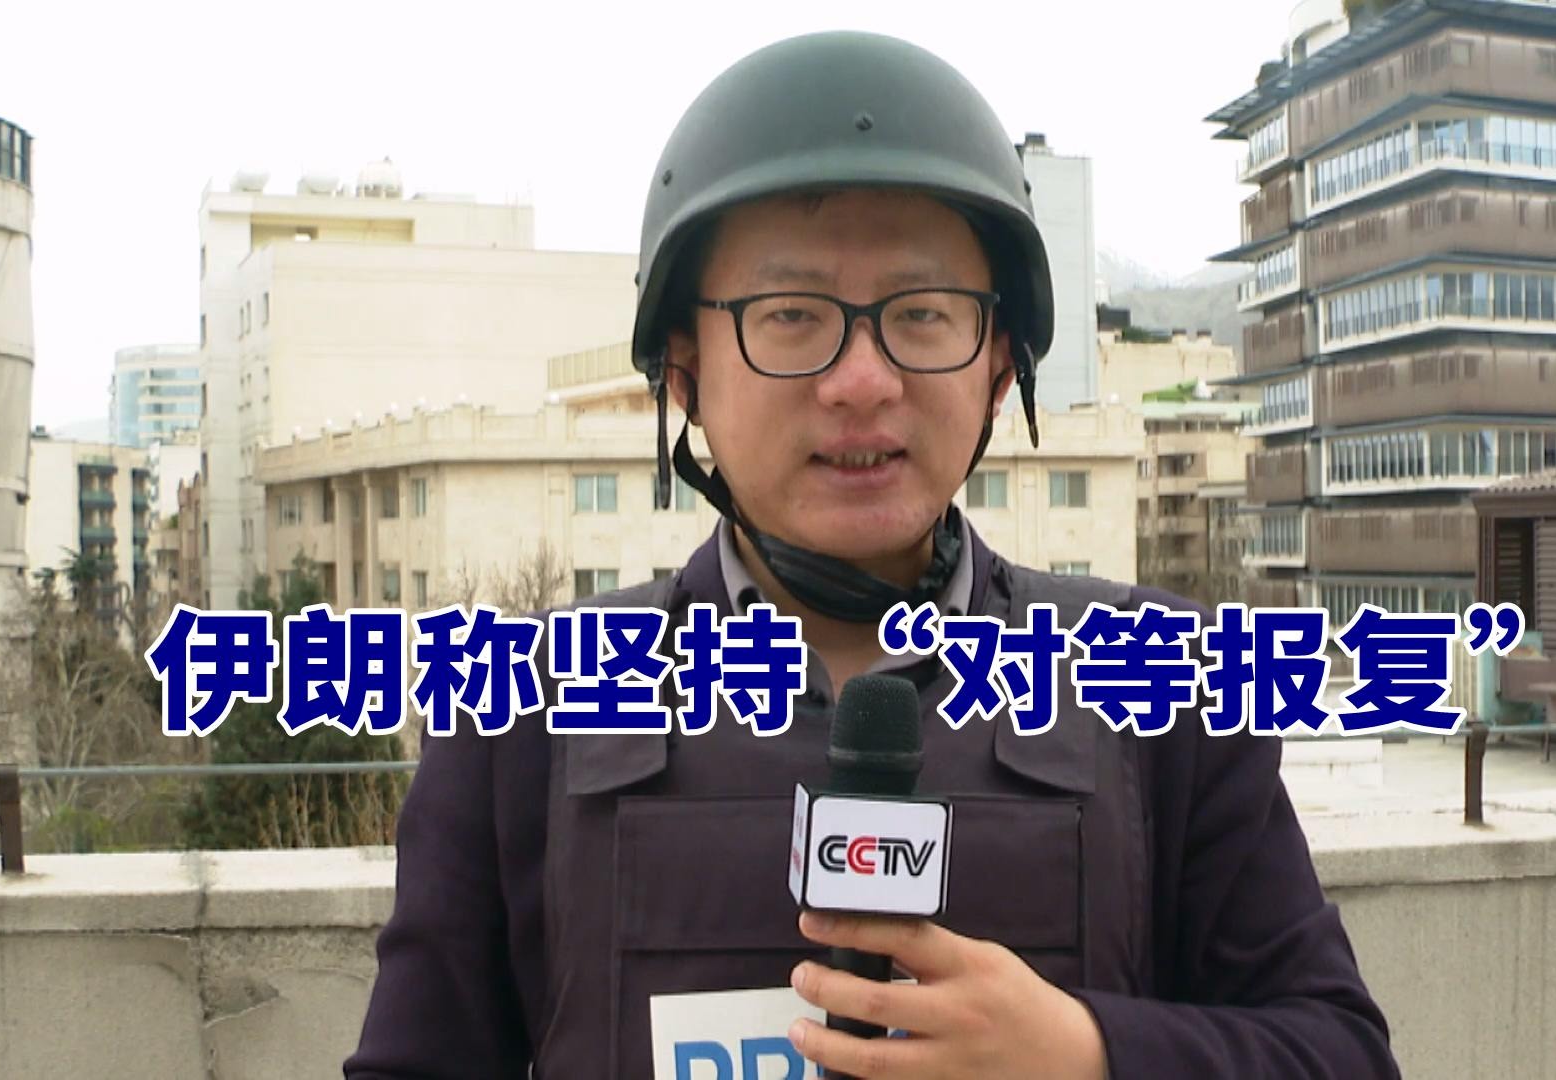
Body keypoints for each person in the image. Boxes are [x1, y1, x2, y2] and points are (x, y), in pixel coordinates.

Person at [345, 30, 1399, 1080]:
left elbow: (1339, 1053)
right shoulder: (522, 712)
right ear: (684, 369)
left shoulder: (1162, 687)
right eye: (791, 316)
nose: (862, 380)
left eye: (922, 314)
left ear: (998, 368)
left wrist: (1086, 1054)